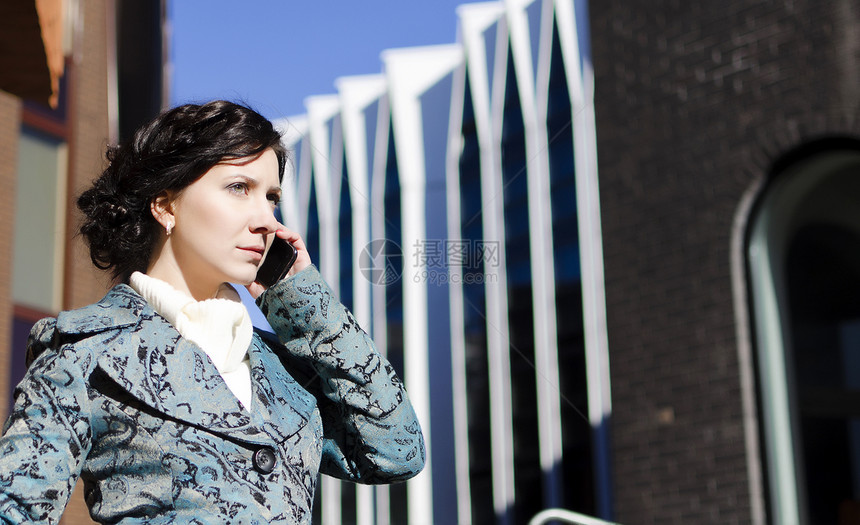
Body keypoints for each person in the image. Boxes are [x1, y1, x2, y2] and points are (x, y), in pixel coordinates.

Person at [0, 100, 425, 523]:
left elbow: (395, 452)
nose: (267, 220)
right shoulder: (86, 354)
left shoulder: (283, 370)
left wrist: (302, 300)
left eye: (272, 197)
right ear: (166, 206)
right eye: (239, 188)